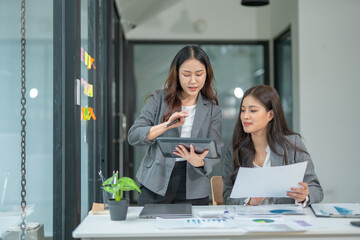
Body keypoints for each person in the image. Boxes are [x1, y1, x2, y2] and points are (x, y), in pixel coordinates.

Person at [128, 46, 223, 206]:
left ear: (207, 74)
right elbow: (134, 135)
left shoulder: (212, 109)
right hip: (156, 180)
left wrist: (199, 162)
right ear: (177, 74)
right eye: (186, 74)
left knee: (192, 230)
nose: (193, 81)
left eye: (199, 74)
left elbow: (216, 150)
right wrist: (166, 125)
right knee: (151, 229)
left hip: (195, 183)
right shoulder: (159, 99)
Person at [222, 85, 323, 206]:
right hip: (249, 221)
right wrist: (248, 201)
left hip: (284, 220)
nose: (245, 116)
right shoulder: (235, 147)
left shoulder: (292, 144)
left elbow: (316, 189)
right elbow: (227, 194)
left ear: (270, 115)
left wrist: (304, 195)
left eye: (253, 110)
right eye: (243, 110)